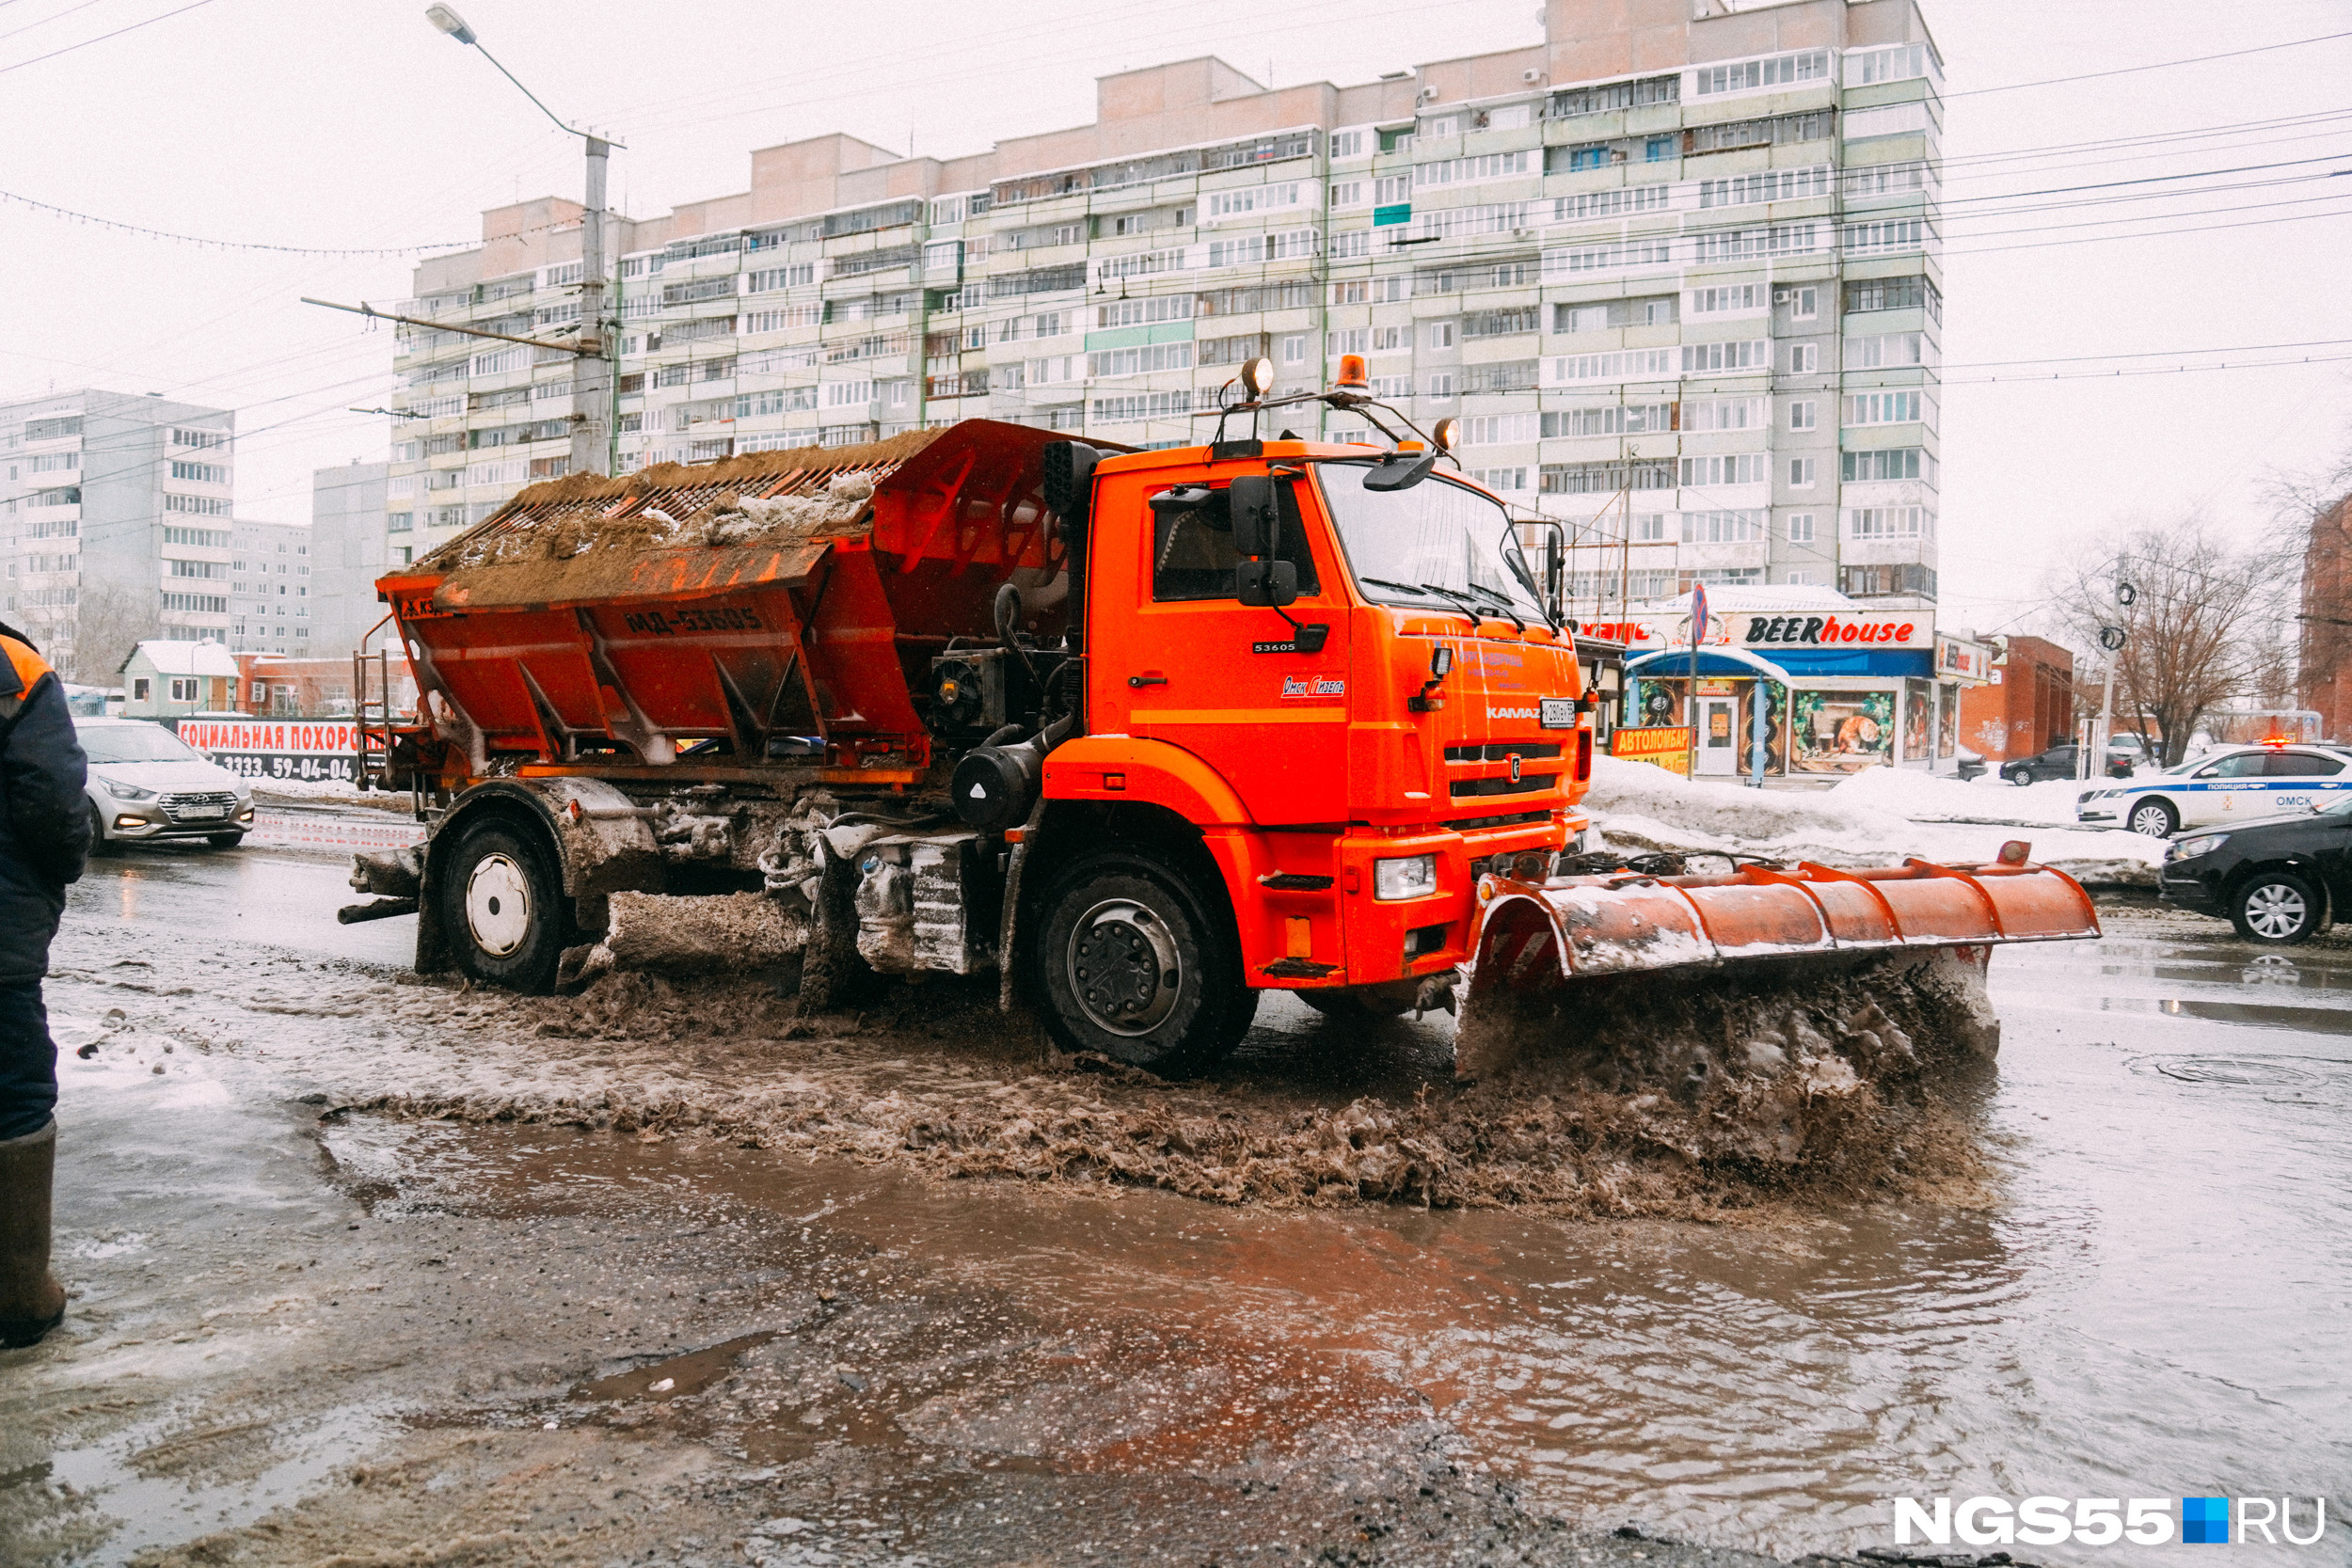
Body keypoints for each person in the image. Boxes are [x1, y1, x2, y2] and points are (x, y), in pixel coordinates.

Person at [0, 619, 87, 1348]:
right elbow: (54, 802)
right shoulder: (16, 668)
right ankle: (19, 1294)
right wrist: (58, 870)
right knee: (16, 1094)